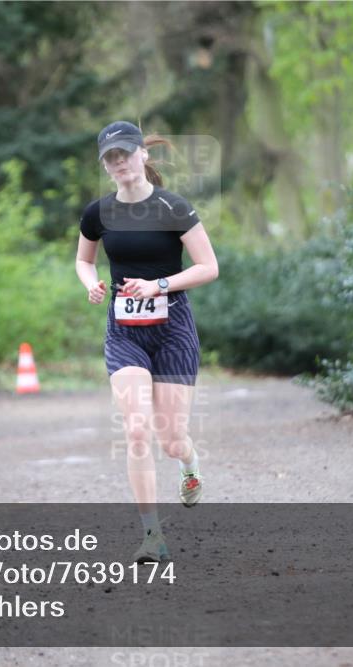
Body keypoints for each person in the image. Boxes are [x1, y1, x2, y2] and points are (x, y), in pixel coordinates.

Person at [75, 121, 219, 562]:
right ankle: (152, 535)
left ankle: (189, 464)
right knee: (136, 428)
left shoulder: (173, 207)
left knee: (172, 440)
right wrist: (92, 284)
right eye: (110, 157)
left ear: (143, 155)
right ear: (105, 165)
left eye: (125, 153)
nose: (119, 162)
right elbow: (83, 260)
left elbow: (208, 267)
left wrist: (159, 285)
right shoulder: (98, 213)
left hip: (173, 328)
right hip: (125, 331)